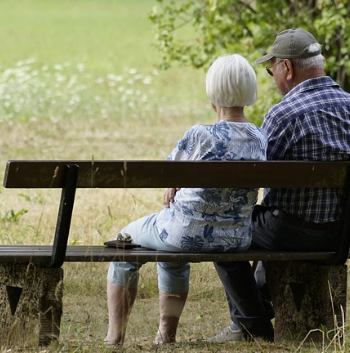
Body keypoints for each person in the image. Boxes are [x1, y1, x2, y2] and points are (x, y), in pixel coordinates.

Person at [208, 28, 350, 343]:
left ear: (287, 68)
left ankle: (252, 323)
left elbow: (254, 178)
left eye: (272, 71)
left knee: (221, 228)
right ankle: (254, 310)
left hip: (293, 233)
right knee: (273, 218)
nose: (273, 78)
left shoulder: (284, 114)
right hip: (340, 231)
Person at [104, 54, 268, 347]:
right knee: (170, 251)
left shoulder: (200, 135)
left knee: (123, 242)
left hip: (184, 234)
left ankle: (114, 337)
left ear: (213, 94)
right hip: (236, 239)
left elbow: (168, 173)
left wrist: (174, 185)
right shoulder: (259, 137)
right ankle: (165, 335)